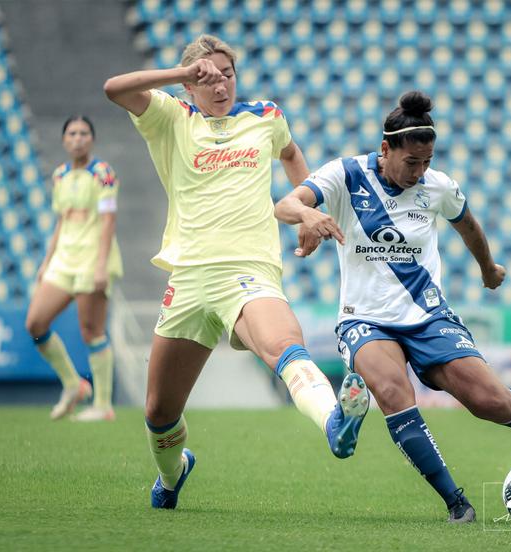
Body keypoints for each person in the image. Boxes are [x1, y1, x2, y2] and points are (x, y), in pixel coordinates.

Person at [275, 91, 511, 524]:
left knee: (490, 401)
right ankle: (457, 503)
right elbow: (285, 203)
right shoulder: (345, 175)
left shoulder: (438, 186)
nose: (420, 172)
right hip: (364, 318)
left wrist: (488, 268)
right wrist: (307, 216)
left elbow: (467, 224)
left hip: (429, 316)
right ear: (385, 150)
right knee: (396, 394)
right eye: (411, 162)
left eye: (427, 161)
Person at [103, 34, 369, 510]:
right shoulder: (171, 117)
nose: (221, 84)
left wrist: (303, 206)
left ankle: (335, 421)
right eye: (208, 76)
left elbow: (290, 155)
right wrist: (181, 74)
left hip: (247, 269)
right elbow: (114, 87)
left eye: (228, 74)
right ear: (191, 85)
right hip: (187, 277)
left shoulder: (265, 116)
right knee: (159, 412)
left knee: (283, 346)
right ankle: (172, 475)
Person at [25, 116, 121, 422]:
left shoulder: (102, 173)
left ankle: (103, 404)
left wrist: (102, 266)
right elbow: (60, 222)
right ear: (64, 140)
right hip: (63, 260)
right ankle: (72, 384)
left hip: (92, 259)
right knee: (35, 323)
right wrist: (46, 263)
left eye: (83, 133)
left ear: (91, 139)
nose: (78, 138)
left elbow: (108, 221)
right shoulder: (60, 175)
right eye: (72, 133)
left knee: (91, 331)